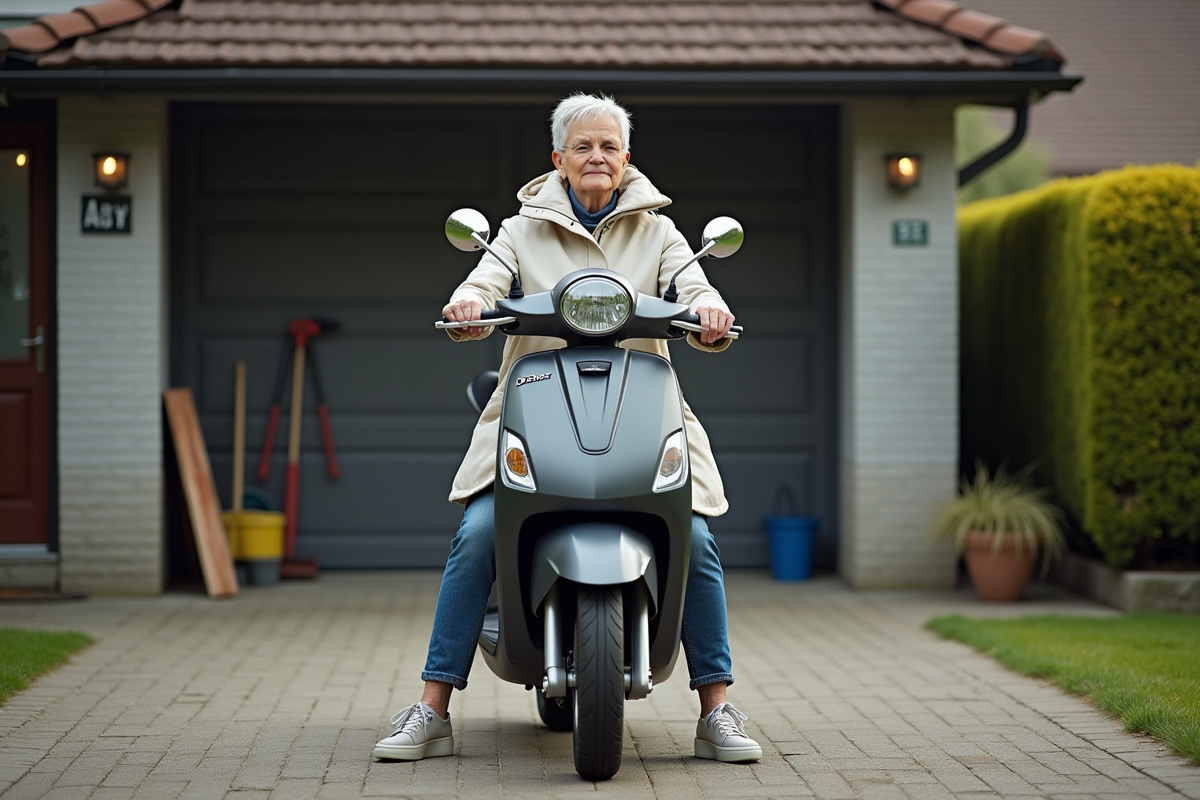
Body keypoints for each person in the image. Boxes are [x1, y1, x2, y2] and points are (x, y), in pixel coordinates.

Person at [373, 93, 762, 765]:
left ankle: (716, 708)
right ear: (558, 158)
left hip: (639, 414)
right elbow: (485, 280)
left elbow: (696, 287)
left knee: (695, 537)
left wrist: (710, 311)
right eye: (582, 146)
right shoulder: (519, 230)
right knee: (477, 533)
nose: (596, 157)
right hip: (536, 411)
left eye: (609, 146)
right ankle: (432, 708)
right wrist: (469, 302)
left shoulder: (660, 233)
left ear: (627, 158)